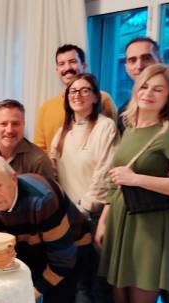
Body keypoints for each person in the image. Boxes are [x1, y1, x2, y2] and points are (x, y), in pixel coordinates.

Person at [96, 64, 169, 303]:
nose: (148, 93)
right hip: (120, 221)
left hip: (150, 228)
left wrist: (137, 179)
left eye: (158, 89)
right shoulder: (130, 130)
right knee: (118, 299)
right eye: (144, 86)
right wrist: (103, 222)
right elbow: (116, 181)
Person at [0, 155, 92, 303]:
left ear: (13, 179)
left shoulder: (43, 200)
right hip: (31, 250)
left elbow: (63, 260)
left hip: (71, 250)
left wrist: (30, 294)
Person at [50, 73, 119, 220]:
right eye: (73, 91)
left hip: (93, 215)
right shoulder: (61, 133)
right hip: (67, 213)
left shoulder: (105, 126)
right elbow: (53, 173)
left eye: (85, 90)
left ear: (95, 97)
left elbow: (105, 174)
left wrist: (85, 207)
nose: (77, 95)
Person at [34, 44, 117, 152]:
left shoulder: (103, 99)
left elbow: (113, 140)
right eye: (61, 64)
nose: (67, 68)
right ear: (57, 69)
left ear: (84, 65)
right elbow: (39, 148)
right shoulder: (46, 108)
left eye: (73, 62)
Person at [0, 99, 55, 193]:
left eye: (15, 124)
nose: (9, 130)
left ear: (23, 125)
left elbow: (48, 200)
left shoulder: (38, 160)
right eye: (3, 124)